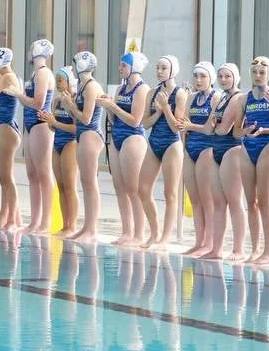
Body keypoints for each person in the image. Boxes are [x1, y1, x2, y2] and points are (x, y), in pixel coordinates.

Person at [100, 51, 151, 247]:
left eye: (124, 65)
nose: (120, 68)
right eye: (121, 64)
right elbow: (114, 119)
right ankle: (127, 232)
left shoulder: (142, 89)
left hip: (133, 138)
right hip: (117, 136)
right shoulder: (121, 89)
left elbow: (135, 120)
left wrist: (112, 106)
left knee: (133, 188)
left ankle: (139, 234)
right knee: (119, 186)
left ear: (134, 68)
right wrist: (108, 106)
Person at [236, 55, 269, 265]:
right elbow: (236, 131)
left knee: (264, 202)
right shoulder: (243, 99)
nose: (258, 75)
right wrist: (245, 131)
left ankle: (268, 251)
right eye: (254, 72)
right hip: (247, 147)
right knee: (250, 202)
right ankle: (254, 250)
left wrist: (264, 130)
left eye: (262, 72)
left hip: (267, 146)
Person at [140, 55, 188, 248]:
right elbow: (144, 123)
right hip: (154, 142)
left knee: (170, 193)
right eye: (158, 68)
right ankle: (154, 233)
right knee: (143, 189)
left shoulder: (180, 94)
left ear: (172, 71)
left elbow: (177, 127)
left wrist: (166, 109)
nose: (159, 71)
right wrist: (158, 112)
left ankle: (166, 237)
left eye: (164, 68)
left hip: (172, 144)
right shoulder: (151, 93)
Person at [204, 62, 246, 260]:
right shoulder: (221, 98)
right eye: (220, 76)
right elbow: (208, 128)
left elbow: (223, 129)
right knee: (218, 202)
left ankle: (238, 249)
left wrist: (214, 126)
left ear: (236, 78)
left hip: (232, 149)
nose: (223, 80)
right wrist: (212, 126)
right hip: (216, 148)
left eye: (227, 76)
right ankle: (216, 249)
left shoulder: (238, 98)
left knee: (235, 201)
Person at [16, 39, 58, 236]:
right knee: (32, 174)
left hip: (41, 124)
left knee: (43, 173)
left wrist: (19, 95)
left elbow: (38, 102)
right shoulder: (35, 73)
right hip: (30, 123)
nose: (28, 52)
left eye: (31, 49)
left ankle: (45, 222)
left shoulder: (43, 73)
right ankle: (34, 221)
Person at [180, 62, 219, 257]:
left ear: (211, 78)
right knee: (195, 199)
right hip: (191, 148)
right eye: (196, 76)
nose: (198, 80)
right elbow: (182, 124)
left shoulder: (216, 97)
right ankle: (199, 241)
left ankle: (209, 242)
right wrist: (190, 130)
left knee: (206, 199)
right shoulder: (191, 98)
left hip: (207, 148)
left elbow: (209, 129)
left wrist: (191, 126)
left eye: (203, 76)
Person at [68, 52, 106, 243]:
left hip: (91, 134)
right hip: (83, 134)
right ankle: (86, 227)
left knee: (90, 182)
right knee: (85, 182)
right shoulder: (82, 86)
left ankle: (92, 229)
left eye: (75, 63)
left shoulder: (91, 87)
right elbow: (76, 116)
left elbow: (86, 118)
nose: (74, 67)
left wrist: (70, 105)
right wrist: (70, 104)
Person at [0, 48, 23, 231]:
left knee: (7, 177)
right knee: (3, 178)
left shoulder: (7, 77)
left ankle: (11, 220)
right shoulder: (7, 77)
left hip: (8, 127)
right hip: (5, 127)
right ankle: (7, 217)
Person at [42, 67, 81, 237]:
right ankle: (65, 225)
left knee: (70, 186)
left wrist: (55, 123)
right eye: (56, 80)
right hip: (57, 142)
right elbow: (52, 127)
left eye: (60, 80)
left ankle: (72, 226)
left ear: (69, 82)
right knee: (61, 186)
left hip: (71, 143)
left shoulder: (75, 100)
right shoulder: (57, 100)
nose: (57, 83)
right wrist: (48, 120)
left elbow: (77, 128)